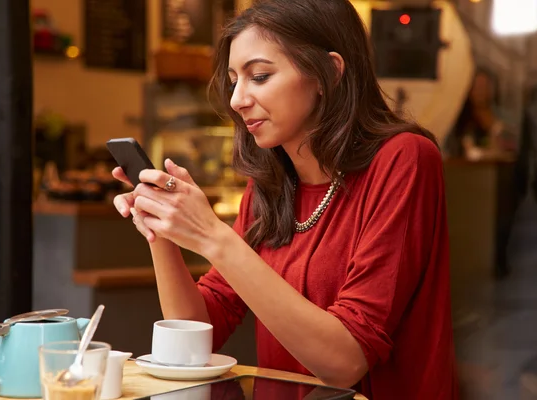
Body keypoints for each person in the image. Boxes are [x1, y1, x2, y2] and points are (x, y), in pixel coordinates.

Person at [113, 0, 458, 398]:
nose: (236, 99)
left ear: (327, 72)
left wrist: (213, 236)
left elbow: (344, 363)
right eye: (233, 80)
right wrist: (163, 230)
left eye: (259, 76)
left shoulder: (405, 160)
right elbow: (199, 330)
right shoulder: (271, 183)